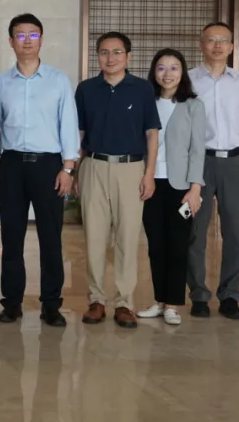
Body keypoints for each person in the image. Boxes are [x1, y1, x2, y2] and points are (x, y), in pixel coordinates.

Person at [0, 13, 77, 327]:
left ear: (41, 40)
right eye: (20, 35)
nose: (27, 41)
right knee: (12, 237)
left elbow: (68, 125)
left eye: (33, 35)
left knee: (50, 238)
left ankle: (51, 305)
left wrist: (68, 169)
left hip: (49, 166)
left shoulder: (58, 80)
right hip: (11, 165)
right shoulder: (0, 82)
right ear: (11, 41)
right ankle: (12, 303)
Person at [74, 32, 160, 329]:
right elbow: (79, 134)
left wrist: (149, 174)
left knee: (127, 237)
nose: (110, 58)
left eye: (117, 52)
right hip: (94, 166)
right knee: (94, 237)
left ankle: (125, 303)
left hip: (131, 168)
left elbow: (152, 133)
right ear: (97, 56)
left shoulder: (142, 89)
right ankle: (96, 300)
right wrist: (75, 171)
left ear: (128, 56)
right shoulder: (86, 89)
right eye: (104, 52)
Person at [187, 22, 239, 320]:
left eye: (223, 40)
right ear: (201, 44)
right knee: (195, 231)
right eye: (211, 40)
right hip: (199, 163)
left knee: (234, 231)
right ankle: (198, 294)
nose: (217, 45)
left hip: (233, 162)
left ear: (232, 46)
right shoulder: (189, 80)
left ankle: (230, 295)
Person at [137, 49, 207, 326]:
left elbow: (198, 150)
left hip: (181, 186)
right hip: (150, 183)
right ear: (154, 72)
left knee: (178, 245)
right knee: (156, 245)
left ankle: (172, 305)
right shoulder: (146, 102)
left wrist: (195, 188)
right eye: (161, 68)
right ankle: (158, 301)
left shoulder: (193, 106)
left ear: (183, 72)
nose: (167, 74)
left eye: (174, 68)